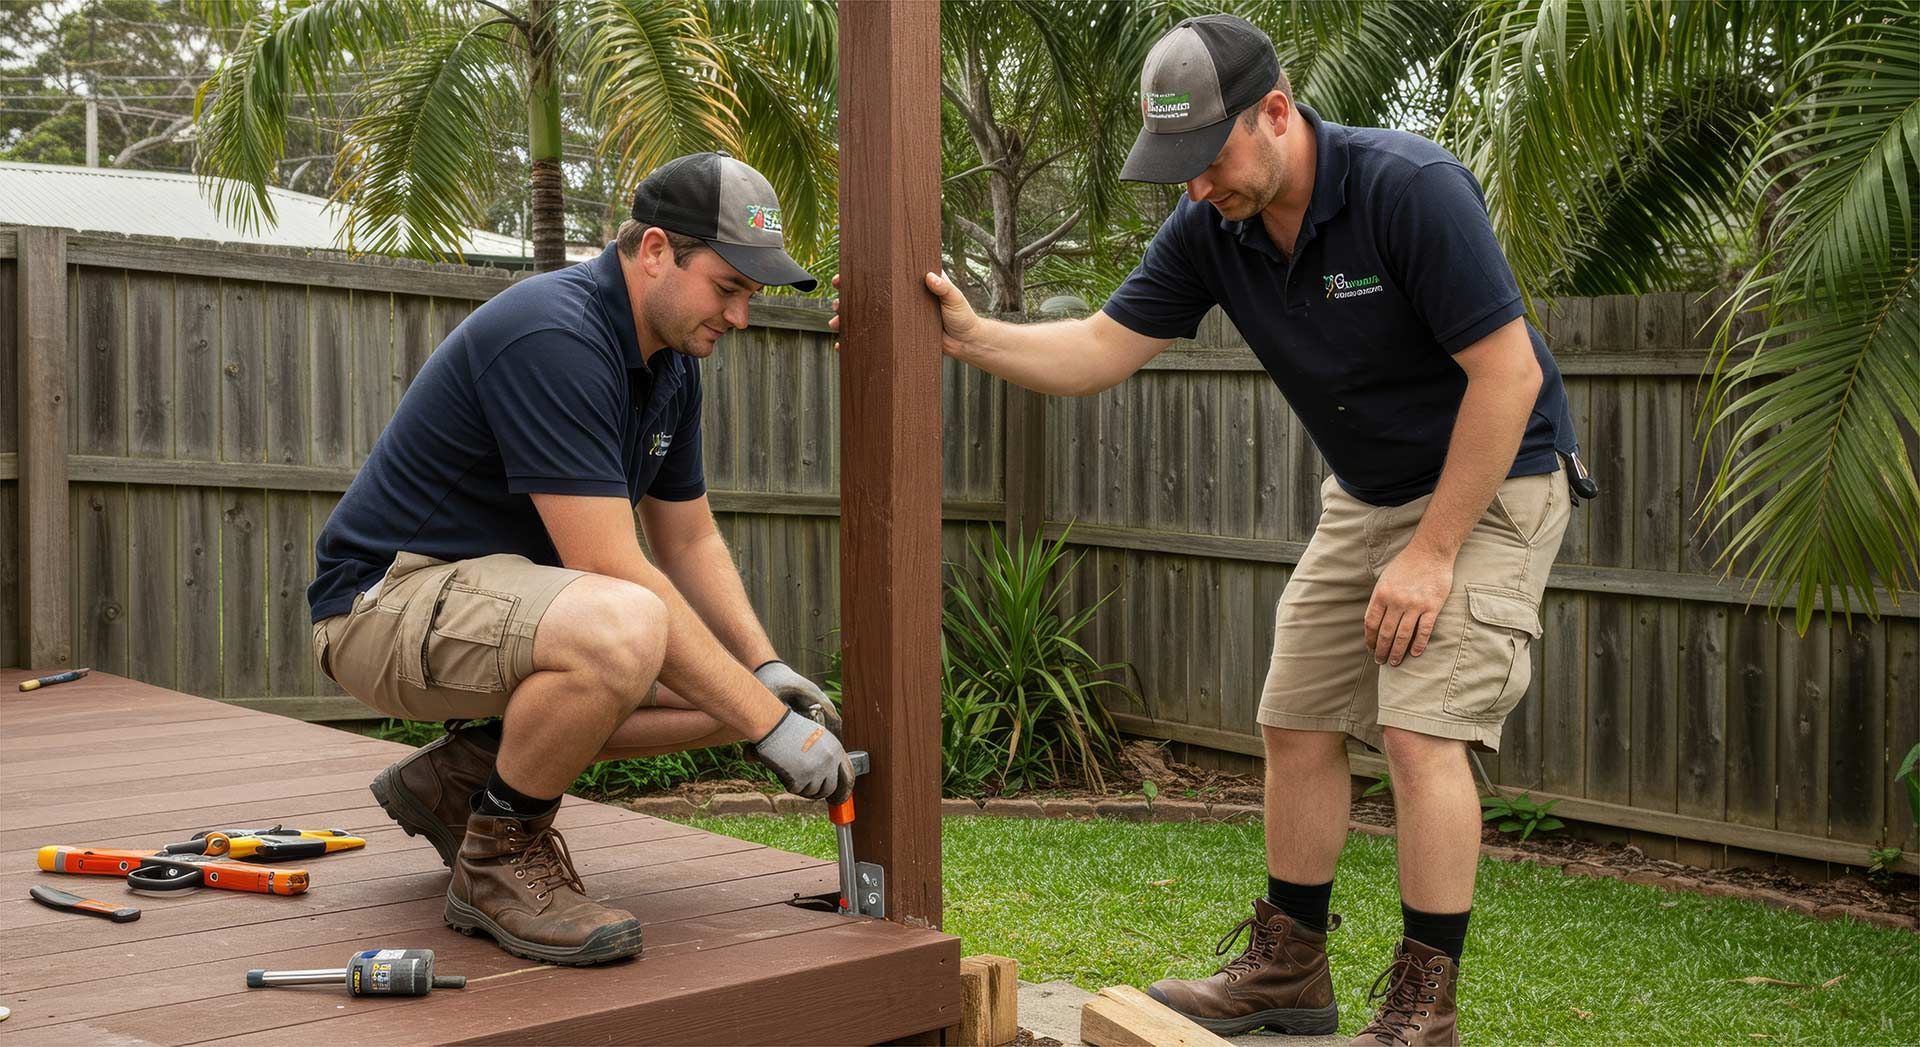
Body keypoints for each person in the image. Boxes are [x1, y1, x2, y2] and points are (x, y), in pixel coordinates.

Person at [835, 15, 1582, 1045]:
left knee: (1418, 731)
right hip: (1367, 495)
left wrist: (1433, 553)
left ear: (1276, 112)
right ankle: (1289, 971)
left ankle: (1425, 1010)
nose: (1196, 187)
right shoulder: (1214, 228)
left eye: (1209, 159)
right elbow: (1098, 349)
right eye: (1177, 168)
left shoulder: (1408, 188)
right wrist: (966, 335)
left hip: (1490, 486)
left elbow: (1510, 375)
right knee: (1295, 719)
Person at [309, 152, 853, 967]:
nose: (741, 316)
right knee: (631, 626)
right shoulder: (555, 335)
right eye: (730, 287)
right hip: (379, 604)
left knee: (724, 688)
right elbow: (617, 570)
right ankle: (497, 863)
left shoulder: (670, 366)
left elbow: (690, 537)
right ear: (659, 251)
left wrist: (766, 673)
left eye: (753, 296)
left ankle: (459, 784)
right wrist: (768, 727)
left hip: (491, 606)